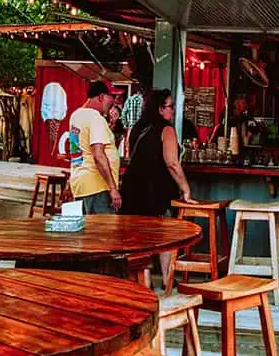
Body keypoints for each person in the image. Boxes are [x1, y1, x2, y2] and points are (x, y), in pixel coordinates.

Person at [121, 89, 195, 280]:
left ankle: (141, 283)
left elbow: (132, 155)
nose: (173, 110)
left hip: (132, 186)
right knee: (165, 236)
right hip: (155, 190)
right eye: (170, 106)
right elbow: (172, 163)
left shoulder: (137, 127)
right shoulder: (167, 129)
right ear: (160, 109)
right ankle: (167, 280)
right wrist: (186, 189)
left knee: (138, 237)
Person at [67, 80, 121, 214]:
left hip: (81, 184)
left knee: (88, 232)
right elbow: (98, 154)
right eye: (112, 97)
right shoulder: (95, 117)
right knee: (105, 233)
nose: (113, 102)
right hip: (97, 187)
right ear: (101, 97)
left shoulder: (76, 115)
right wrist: (113, 188)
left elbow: (78, 150)